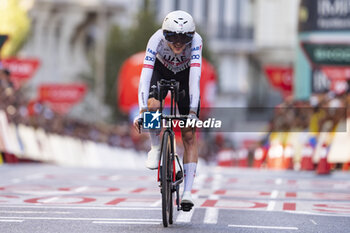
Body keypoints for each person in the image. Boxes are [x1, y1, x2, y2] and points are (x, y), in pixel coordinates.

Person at [133, 10, 202, 211]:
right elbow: (145, 77)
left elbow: (195, 79)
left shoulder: (197, 41)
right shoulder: (155, 39)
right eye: (172, 37)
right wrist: (142, 109)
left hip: (185, 75)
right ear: (164, 34)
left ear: (191, 36)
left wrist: (191, 113)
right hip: (160, 70)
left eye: (184, 38)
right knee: (153, 107)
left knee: (189, 135)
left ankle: (188, 192)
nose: (178, 43)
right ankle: (155, 147)